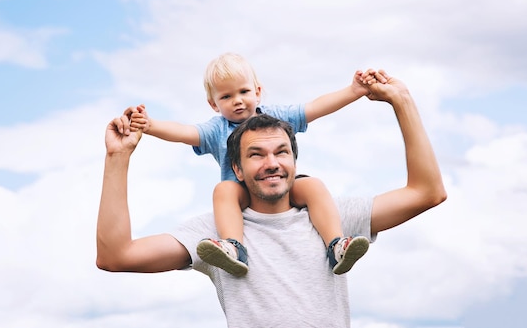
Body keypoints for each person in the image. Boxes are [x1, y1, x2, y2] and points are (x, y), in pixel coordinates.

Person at [96, 69, 447, 327]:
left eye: (281, 152)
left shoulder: (328, 214)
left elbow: (427, 193)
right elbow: (116, 256)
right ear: (236, 168)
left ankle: (334, 246)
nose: (272, 163)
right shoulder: (214, 233)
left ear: (295, 161)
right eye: (256, 155)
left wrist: (401, 100)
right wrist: (118, 157)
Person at [125, 53, 379, 276]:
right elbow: (184, 131)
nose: (237, 100)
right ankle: (234, 249)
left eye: (244, 92)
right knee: (224, 189)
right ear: (214, 104)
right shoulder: (217, 130)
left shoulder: (275, 116)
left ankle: (336, 245)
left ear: (257, 91)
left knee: (312, 185)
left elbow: (314, 107)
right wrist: (150, 125)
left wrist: (353, 91)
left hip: (279, 189)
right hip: (243, 197)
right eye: (226, 96)